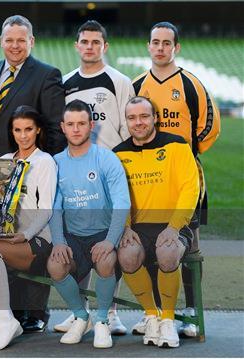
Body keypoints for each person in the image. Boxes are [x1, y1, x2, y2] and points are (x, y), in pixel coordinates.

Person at [0, 14, 66, 332]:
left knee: (31, 238)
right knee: (1, 239)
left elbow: (55, 128)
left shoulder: (46, 74)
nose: (15, 46)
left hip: (33, 171)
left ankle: (34, 314)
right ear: (1, 42)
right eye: (9, 40)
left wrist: (45, 167)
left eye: (21, 40)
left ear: (31, 42)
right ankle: (8, 313)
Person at [132, 21, 220, 337]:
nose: (160, 48)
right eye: (155, 42)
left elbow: (209, 126)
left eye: (166, 43)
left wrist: (185, 155)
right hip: (148, 178)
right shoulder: (137, 84)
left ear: (176, 48)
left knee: (188, 247)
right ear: (148, 45)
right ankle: (156, 311)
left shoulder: (191, 84)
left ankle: (192, 309)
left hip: (184, 177)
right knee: (151, 242)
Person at [55, 19, 134, 336]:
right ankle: (80, 314)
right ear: (76, 46)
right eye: (84, 42)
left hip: (109, 170)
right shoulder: (66, 82)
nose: (89, 47)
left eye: (95, 42)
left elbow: (129, 131)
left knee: (108, 241)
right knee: (79, 237)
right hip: (77, 173)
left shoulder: (120, 81)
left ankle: (111, 312)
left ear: (105, 46)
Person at [114, 96, 199, 348]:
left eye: (143, 116)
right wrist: (125, 226)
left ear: (155, 118)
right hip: (138, 228)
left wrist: (174, 226)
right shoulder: (118, 154)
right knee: (127, 256)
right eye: (132, 118)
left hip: (174, 224)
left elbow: (189, 188)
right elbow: (117, 196)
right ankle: (152, 315)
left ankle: (168, 321)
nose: (138, 122)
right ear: (126, 121)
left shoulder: (177, 145)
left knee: (168, 252)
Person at [0, 105, 57, 350]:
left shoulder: (44, 162)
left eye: (28, 129)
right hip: (6, 238)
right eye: (17, 130)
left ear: (38, 130)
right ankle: (6, 318)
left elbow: (47, 208)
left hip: (37, 239)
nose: (23, 135)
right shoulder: (4, 162)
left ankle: (5, 321)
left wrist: (26, 234)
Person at [48, 99, 130, 348]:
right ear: (63, 127)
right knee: (55, 266)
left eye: (81, 123)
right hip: (73, 235)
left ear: (91, 125)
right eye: (70, 124)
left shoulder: (107, 159)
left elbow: (121, 203)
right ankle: (82, 317)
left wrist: (109, 240)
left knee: (106, 260)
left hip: (102, 232)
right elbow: (54, 207)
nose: (76, 129)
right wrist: (59, 242)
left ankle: (103, 320)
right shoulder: (56, 163)